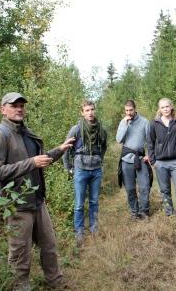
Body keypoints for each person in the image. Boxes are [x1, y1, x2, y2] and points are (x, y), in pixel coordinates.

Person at [0, 92, 74, 290]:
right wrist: (30, 163)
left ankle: (56, 282)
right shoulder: (0, 135)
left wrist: (60, 149)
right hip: (17, 204)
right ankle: (20, 287)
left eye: (21, 105)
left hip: (37, 200)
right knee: (20, 253)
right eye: (13, 105)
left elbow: (39, 161)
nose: (19, 108)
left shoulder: (25, 132)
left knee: (49, 246)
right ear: (2, 109)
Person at [63, 100, 107, 246]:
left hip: (96, 170)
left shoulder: (101, 129)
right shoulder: (76, 129)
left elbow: (104, 146)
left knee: (94, 201)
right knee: (79, 204)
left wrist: (100, 159)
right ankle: (79, 232)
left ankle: (94, 228)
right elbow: (66, 149)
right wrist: (68, 167)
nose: (90, 112)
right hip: (80, 169)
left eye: (92, 109)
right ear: (82, 113)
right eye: (87, 110)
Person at [148, 98, 176, 232]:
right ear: (159, 109)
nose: (166, 109)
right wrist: (153, 161)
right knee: (165, 191)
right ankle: (170, 216)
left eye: (168, 106)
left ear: (171, 107)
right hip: (161, 163)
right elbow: (150, 143)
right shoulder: (154, 124)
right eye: (163, 107)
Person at [116, 99, 152, 220]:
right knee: (130, 188)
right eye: (126, 110)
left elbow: (150, 141)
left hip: (141, 158)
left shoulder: (144, 122)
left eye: (131, 110)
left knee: (144, 187)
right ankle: (134, 212)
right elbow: (119, 139)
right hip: (126, 159)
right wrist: (125, 125)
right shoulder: (123, 122)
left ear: (135, 109)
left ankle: (144, 212)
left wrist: (149, 154)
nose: (129, 113)